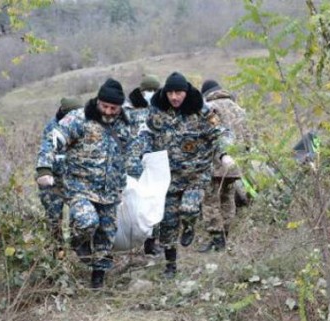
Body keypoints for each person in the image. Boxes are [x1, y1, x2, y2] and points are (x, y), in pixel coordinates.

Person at [135, 72, 233, 278]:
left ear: (186, 92)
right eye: (170, 92)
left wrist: (224, 154)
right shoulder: (158, 111)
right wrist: (144, 151)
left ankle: (189, 224)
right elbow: (145, 133)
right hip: (168, 176)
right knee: (168, 224)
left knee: (188, 209)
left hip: (196, 175)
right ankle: (170, 265)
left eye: (178, 92)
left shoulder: (202, 111)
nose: (174, 97)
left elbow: (221, 133)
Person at [36, 78, 132, 288]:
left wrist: (133, 179)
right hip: (80, 187)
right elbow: (53, 139)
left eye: (113, 108)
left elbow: (131, 152)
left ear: (120, 107)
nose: (108, 111)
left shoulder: (125, 125)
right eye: (104, 106)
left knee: (106, 236)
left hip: (110, 191)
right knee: (88, 221)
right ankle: (78, 242)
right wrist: (44, 169)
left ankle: (98, 279)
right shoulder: (79, 119)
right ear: (97, 101)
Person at [197, 79, 247, 253]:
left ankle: (216, 239)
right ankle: (225, 235)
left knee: (210, 200)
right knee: (227, 198)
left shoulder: (209, 108)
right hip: (235, 162)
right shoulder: (238, 108)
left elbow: (206, 136)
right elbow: (248, 138)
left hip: (215, 162)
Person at [36, 97, 82, 248]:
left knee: (81, 214)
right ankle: (57, 252)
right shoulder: (52, 128)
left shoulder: (84, 124)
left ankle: (80, 247)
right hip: (53, 182)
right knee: (54, 219)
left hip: (75, 180)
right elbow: (46, 153)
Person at [126, 74, 164, 257]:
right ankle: (129, 240)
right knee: (130, 205)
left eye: (154, 91)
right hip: (130, 166)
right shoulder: (127, 111)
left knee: (153, 202)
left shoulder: (160, 111)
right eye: (148, 91)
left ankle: (151, 243)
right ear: (141, 92)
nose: (151, 94)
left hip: (151, 164)